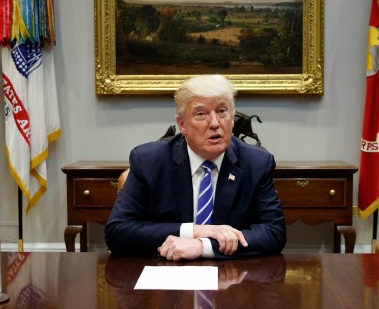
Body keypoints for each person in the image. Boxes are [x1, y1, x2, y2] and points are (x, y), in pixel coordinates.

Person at [105, 74, 286, 260]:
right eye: (201, 114)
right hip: (165, 277)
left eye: (222, 111)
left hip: (231, 277)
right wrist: (194, 231)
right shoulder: (149, 161)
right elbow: (118, 231)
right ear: (182, 124)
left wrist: (203, 245)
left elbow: (274, 232)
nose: (215, 123)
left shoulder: (256, 163)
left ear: (232, 119)